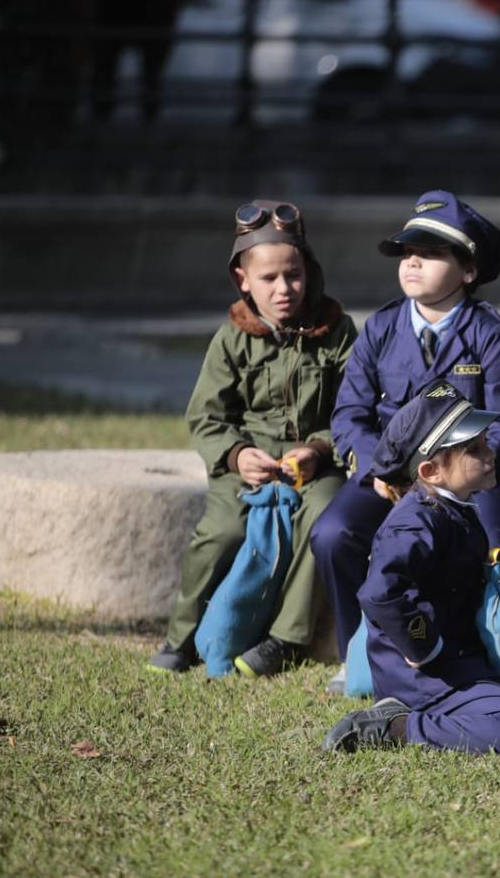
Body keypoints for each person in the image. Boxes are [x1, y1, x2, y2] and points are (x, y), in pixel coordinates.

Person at [310, 191, 500, 678]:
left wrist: (457, 472)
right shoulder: (382, 328)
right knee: (332, 534)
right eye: (407, 252)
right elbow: (349, 415)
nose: (412, 262)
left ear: (468, 271)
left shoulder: (492, 335)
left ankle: (481, 655)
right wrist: (383, 470)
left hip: (465, 480)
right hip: (389, 476)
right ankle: (360, 658)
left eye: (430, 253)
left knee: (493, 548)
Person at [149, 200, 356, 676]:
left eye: (294, 275)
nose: (284, 289)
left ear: (309, 271)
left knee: (324, 517)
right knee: (223, 531)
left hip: (314, 464)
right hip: (243, 465)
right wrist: (238, 455)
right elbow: (207, 416)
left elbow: (353, 408)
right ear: (243, 280)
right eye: (268, 279)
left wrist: (319, 447)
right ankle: (180, 637)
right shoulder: (232, 338)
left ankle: (288, 637)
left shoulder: (338, 332)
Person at [321, 381, 500, 755]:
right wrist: (424, 645)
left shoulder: (455, 506)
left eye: (486, 442)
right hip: (428, 675)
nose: (490, 454)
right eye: (474, 449)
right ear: (431, 471)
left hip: (459, 659)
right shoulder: (414, 522)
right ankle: (397, 727)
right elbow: (381, 592)